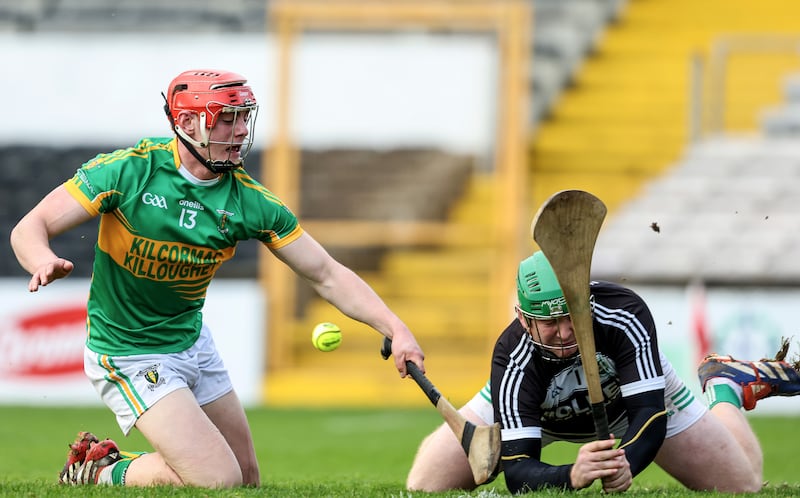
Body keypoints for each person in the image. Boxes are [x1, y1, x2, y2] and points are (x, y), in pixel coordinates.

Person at [10, 69, 426, 488]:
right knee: (215, 479)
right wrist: (42, 259)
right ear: (187, 122)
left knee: (245, 479)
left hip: (192, 343)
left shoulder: (250, 201)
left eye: (244, 118)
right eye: (227, 119)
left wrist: (395, 327)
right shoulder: (128, 172)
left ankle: (116, 460)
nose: (241, 131)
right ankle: (99, 470)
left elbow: (327, 274)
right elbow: (30, 226)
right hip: (129, 352)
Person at [406, 250, 800, 494]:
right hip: (535, 414)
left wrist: (625, 460)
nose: (562, 334)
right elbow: (518, 470)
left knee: (741, 486)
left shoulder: (623, 313)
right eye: (547, 323)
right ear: (524, 320)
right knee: (425, 483)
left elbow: (649, 413)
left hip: (627, 408)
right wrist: (571, 475)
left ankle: (725, 385)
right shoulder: (512, 357)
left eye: (568, 318)